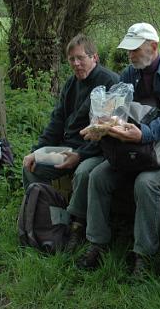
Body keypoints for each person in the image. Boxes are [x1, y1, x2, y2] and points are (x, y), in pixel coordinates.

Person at [77, 22, 160, 276]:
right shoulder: (129, 73)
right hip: (131, 150)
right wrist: (103, 125)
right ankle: (97, 243)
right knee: (98, 176)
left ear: (153, 46)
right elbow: (118, 109)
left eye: (135, 50)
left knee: (146, 184)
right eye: (128, 50)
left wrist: (144, 134)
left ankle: (143, 255)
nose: (130, 55)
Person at [22, 33, 119, 251]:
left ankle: (74, 227)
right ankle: (45, 220)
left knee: (83, 172)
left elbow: (107, 131)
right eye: (71, 59)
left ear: (95, 57)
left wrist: (79, 156)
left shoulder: (110, 82)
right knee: (31, 166)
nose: (76, 64)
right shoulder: (71, 84)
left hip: (96, 150)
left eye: (80, 58)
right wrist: (37, 151)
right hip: (68, 147)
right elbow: (56, 121)